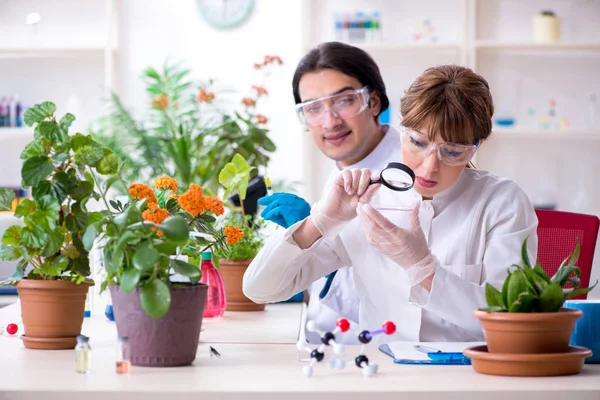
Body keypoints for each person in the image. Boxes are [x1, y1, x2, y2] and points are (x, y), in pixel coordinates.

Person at [244, 64, 539, 343]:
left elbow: (512, 321)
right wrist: (319, 221)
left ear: (478, 145)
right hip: (381, 372)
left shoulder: (501, 202)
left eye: (452, 152)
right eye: (418, 143)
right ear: (400, 126)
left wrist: (423, 268)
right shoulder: (366, 198)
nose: (428, 167)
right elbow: (259, 290)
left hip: (468, 376)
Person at [257, 41, 402, 342]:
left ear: (374, 102)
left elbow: (393, 294)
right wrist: (302, 242)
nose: (330, 121)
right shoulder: (343, 168)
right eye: (313, 108)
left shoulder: (406, 175)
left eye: (344, 101)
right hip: (326, 342)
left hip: (376, 352)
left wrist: (318, 239)